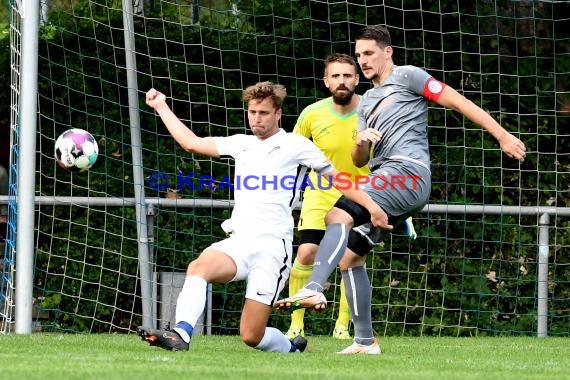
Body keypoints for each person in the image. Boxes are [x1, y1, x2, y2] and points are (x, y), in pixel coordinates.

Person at [275, 25, 527, 354]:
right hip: (388, 178)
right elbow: (359, 157)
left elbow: (459, 102)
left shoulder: (408, 76)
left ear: (387, 52)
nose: (363, 61)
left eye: (369, 54)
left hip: (407, 173)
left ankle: (312, 286)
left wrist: (503, 136)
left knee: (337, 212)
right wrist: (361, 144)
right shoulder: (365, 104)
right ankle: (365, 341)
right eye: (359, 55)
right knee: (350, 258)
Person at [137, 81, 388, 353]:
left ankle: (291, 348)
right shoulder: (240, 143)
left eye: (264, 113)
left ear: (278, 114)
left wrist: (372, 207)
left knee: (251, 335)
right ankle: (180, 334)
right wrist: (160, 105)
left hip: (272, 249)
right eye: (252, 112)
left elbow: (340, 180)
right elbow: (190, 143)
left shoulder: (295, 145)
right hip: (239, 241)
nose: (256, 118)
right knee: (199, 267)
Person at [287, 53, 417, 340]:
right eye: (336, 76)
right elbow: (291, 152)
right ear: (326, 81)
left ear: (357, 79)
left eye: (347, 75)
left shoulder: (375, 109)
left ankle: (342, 328)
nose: (342, 81)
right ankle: (296, 323)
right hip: (320, 194)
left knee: (350, 259)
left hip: (362, 195)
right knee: (306, 252)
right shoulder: (311, 114)